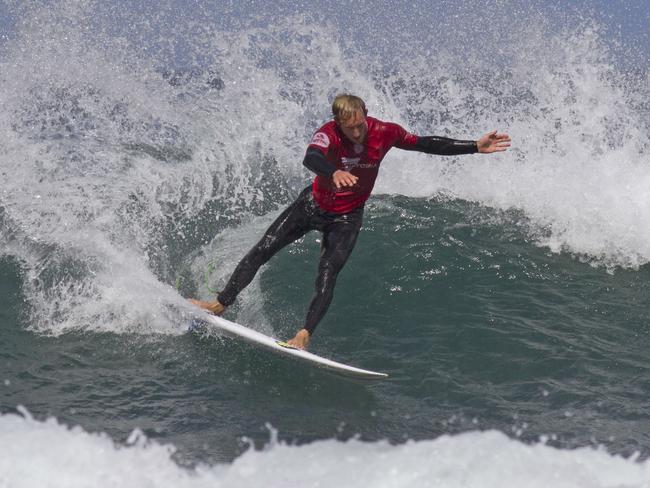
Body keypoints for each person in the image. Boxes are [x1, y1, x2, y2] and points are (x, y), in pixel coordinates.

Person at [190, 94, 511, 350]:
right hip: (311, 205)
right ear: (338, 123)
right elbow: (310, 158)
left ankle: (303, 335)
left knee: (328, 273)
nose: (357, 133)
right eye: (350, 128)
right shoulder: (327, 134)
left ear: (366, 115)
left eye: (361, 126)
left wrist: (473, 147)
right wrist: (332, 172)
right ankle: (219, 304)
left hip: (346, 217)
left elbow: (425, 143)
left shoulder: (385, 132)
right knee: (263, 249)